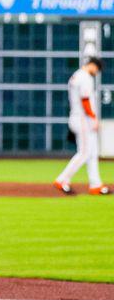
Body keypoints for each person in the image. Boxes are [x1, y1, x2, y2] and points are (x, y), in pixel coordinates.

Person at [55, 57, 110, 196]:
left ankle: (95, 185)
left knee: (92, 153)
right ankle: (62, 179)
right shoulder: (85, 77)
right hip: (83, 119)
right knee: (85, 153)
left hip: (78, 117)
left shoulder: (76, 75)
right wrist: (93, 117)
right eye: (97, 69)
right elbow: (85, 100)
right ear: (92, 65)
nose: (96, 72)